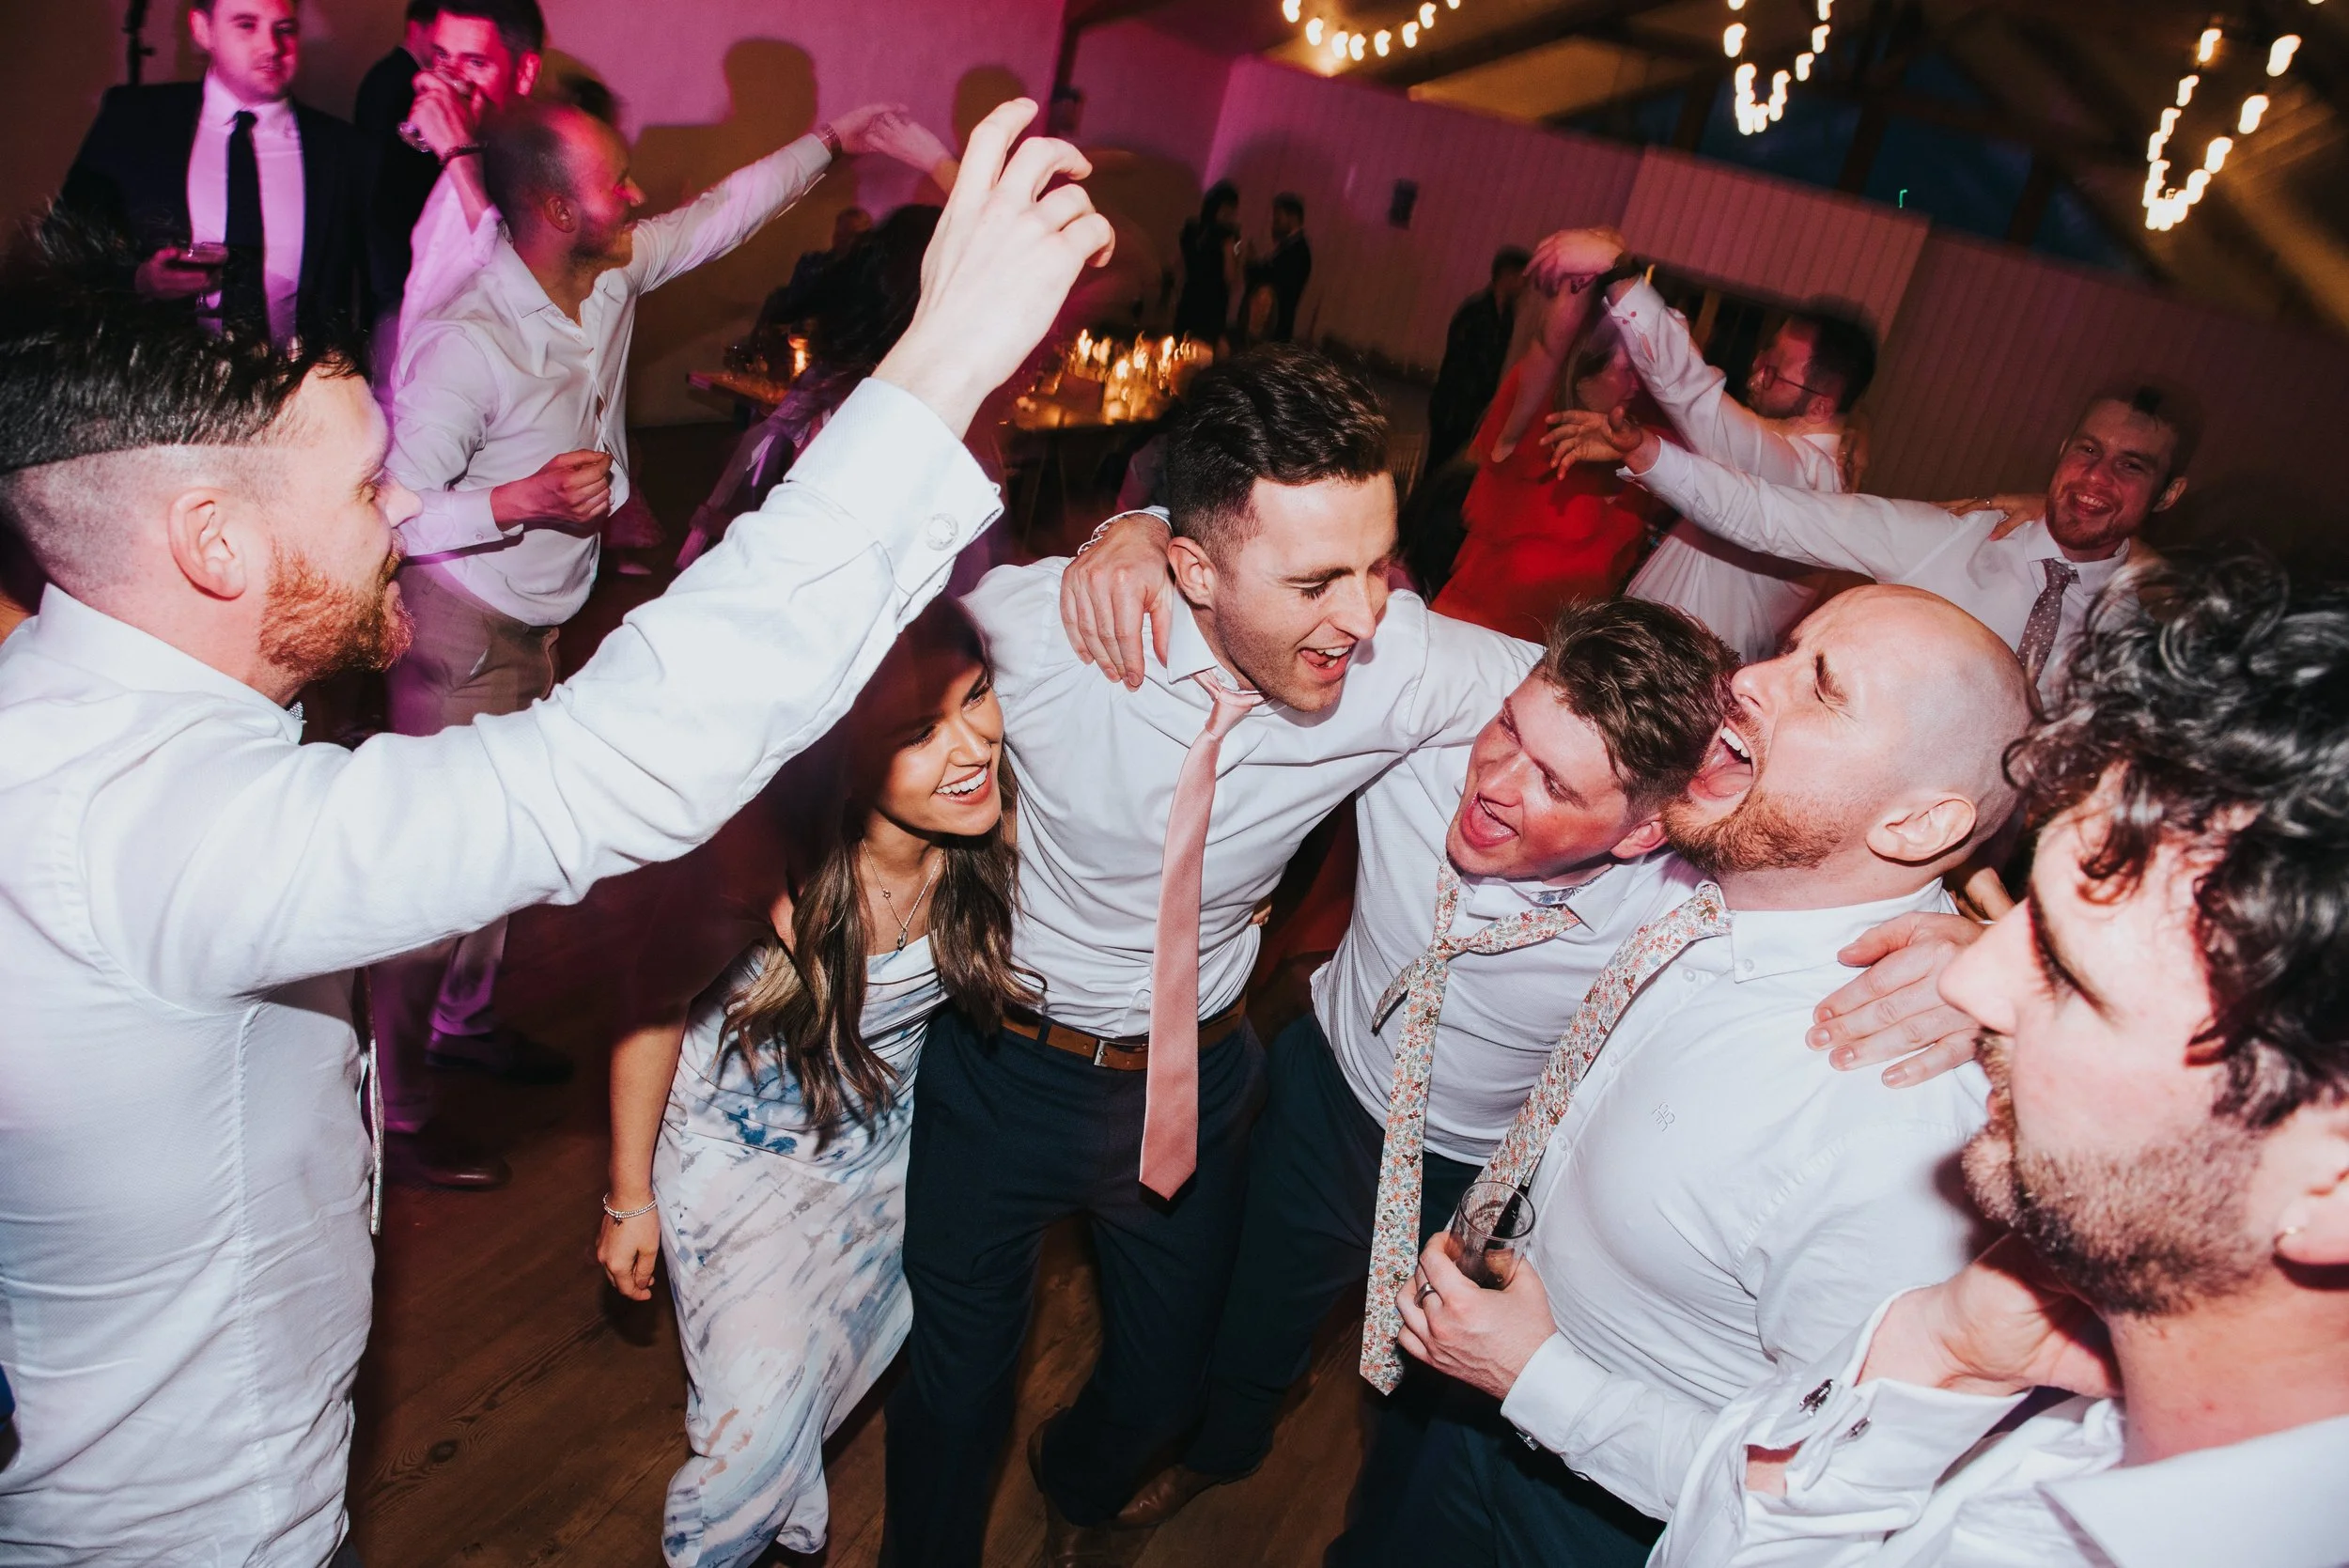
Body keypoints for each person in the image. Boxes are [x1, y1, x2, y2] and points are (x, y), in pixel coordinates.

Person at [0, 95, 1112, 1566]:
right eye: (364, 488)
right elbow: (612, 763)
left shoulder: (57, 714)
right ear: (214, 542)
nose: (403, 512)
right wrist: (946, 356)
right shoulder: (151, 829)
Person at [1100, 597, 1988, 1544]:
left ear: (1642, 832)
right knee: (1261, 1310)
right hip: (1334, 1089)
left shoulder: (1688, 894)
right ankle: (1225, 1448)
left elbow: (1827, 873)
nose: (1495, 783)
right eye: (1508, 731)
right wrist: (1140, 539)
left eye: (1558, 786)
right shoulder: (1425, 738)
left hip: (1484, 1176)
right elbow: (1288, 594)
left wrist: (1983, 969)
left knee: (1418, 1395)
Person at [882, 344, 1536, 1568]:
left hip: (1198, 1082)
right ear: (1191, 569)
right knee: (954, 1387)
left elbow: (1613, 708)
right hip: (1002, 1070)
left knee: (1166, 1383)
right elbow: (821, 662)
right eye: (1315, 582)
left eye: (1376, 565)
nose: (1363, 616)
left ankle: (1076, 1477)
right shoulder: (1038, 632)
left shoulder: (1394, 661)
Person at [1652, 555, 2349, 1568]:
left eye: (2070, 974)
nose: (1971, 983)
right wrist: (1934, 1355)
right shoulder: (2065, 1435)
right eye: (2020, 918)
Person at [1382, 584, 2033, 1567]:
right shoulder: (1732, 892)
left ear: (1913, 825)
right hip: (1477, 1391)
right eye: (1786, 649)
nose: (1747, 680)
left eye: (1823, 689)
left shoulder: (1901, 1119)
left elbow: (1824, 1495)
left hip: (1600, 1512)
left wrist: (1538, 1378)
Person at [370, 99, 954, 1187]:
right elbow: (389, 514)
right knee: (439, 875)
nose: (635, 196)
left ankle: (463, 1024)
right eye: (614, 182)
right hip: (460, 626)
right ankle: (395, 1112)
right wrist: (515, 500)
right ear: (555, 208)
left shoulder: (609, 271)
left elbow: (724, 212)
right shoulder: (467, 341)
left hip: (542, 619)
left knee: (513, 855)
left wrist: (831, 140)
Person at [596, 599, 1025, 1568]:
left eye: (977, 697)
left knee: (821, 1376)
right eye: (917, 733)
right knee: (749, 1439)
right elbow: (648, 1005)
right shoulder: (761, 866)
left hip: (882, 1151)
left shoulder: (992, 829)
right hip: (741, 1161)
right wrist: (629, 1198)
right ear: (844, 758)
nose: (972, 749)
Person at [1569, 382, 2196, 700]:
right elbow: (1771, 514)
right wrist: (1648, 454)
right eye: (2087, 450)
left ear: (2168, 494)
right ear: (2062, 450)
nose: (2095, 478)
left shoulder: (2143, 627)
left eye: (2131, 466)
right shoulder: (1951, 538)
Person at [1526, 228, 1877, 662]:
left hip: (1676, 675)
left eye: (1773, 372)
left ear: (1821, 405)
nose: (1755, 376)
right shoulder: (1790, 461)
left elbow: (1697, 399)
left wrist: (1620, 274)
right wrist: (1636, 446)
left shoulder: (1808, 481)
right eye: (1762, 358)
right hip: (1652, 660)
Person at [55, 0, 369, 347]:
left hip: (303, 375)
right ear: (203, 30)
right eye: (246, 25)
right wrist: (139, 280)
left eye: (285, 29)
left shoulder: (345, 150)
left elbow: (382, 290)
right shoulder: (133, 122)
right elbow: (61, 251)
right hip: (165, 371)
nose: (271, 47)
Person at [680, 205, 941, 570]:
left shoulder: (893, 370)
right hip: (839, 401)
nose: (851, 239)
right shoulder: (830, 275)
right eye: (846, 231)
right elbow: (785, 306)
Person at [1431, 312, 1671, 639]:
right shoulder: (1533, 429)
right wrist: (1581, 289)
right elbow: (1548, 344)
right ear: (1585, 373)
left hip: (1551, 651)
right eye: (1627, 371)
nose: (1636, 386)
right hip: (1473, 635)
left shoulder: (1635, 445)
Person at [354, 1, 443, 330]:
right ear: (417, 28)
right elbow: (388, 170)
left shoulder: (388, 75)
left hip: (388, 231)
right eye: (439, 36)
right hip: (393, 234)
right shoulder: (399, 81)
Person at [1425, 246, 1531, 474]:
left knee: (1454, 472)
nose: (1525, 285)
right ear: (1507, 275)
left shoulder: (1506, 317)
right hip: (1454, 409)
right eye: (1522, 277)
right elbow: (1460, 365)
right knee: (1438, 470)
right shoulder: (1476, 313)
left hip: (1472, 411)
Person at [756, 205, 874, 336]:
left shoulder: (868, 272)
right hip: (803, 327)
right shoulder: (812, 262)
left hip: (843, 332)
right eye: (841, 232)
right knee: (777, 298)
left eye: (851, 234)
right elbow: (796, 297)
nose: (843, 238)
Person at [1174, 180, 1241, 345]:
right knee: (1202, 349)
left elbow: (1179, 267)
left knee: (1181, 347)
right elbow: (1230, 276)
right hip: (1212, 304)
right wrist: (1237, 253)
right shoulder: (1227, 236)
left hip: (1189, 298)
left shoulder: (1192, 229)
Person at [1242, 192, 1312, 344]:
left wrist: (1252, 265)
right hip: (1269, 330)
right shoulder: (1290, 248)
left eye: (1278, 218)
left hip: (1272, 331)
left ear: (1292, 218)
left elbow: (1273, 279)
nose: (1274, 223)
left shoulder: (1297, 252)